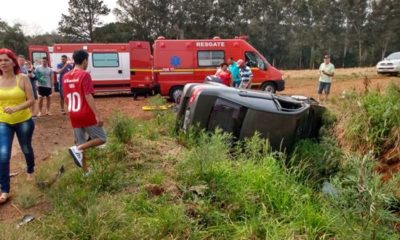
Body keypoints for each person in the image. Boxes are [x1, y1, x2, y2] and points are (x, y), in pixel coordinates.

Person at [0, 48, 35, 204]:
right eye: (0, 60)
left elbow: (31, 100)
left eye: (6, 60)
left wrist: (16, 108)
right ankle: (5, 189)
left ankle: (30, 169)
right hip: (3, 122)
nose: (3, 63)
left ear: (13, 62)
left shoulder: (22, 78)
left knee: (26, 147)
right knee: (3, 154)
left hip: (23, 120)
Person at [62, 50, 106, 174]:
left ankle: (86, 171)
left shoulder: (66, 76)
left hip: (73, 113)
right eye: (88, 61)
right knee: (102, 138)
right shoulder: (84, 75)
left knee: (81, 140)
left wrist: (70, 111)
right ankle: (77, 148)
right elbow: (88, 95)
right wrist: (97, 114)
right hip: (85, 112)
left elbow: (65, 97)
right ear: (85, 60)